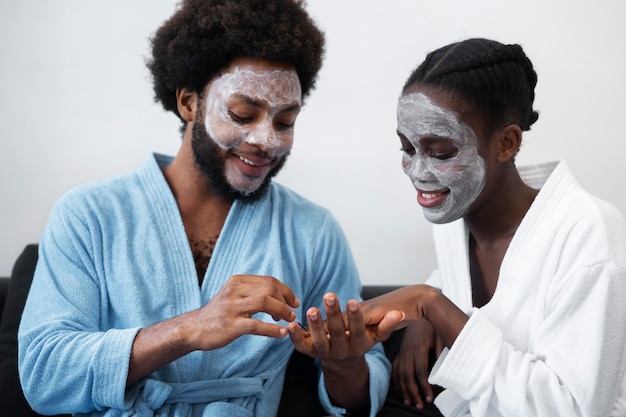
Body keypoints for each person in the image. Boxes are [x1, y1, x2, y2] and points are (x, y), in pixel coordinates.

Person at [17, 1, 400, 415]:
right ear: (188, 102)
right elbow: (44, 375)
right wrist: (189, 328)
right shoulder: (88, 216)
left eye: (285, 121)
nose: (266, 140)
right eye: (242, 114)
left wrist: (343, 363)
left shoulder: (312, 232)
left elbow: (360, 399)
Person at [360, 38, 626, 417]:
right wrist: (428, 305)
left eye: (441, 152)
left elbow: (572, 409)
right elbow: (471, 291)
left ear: (506, 143)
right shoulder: (458, 211)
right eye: (407, 148)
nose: (418, 173)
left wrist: (432, 305)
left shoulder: (589, 233)